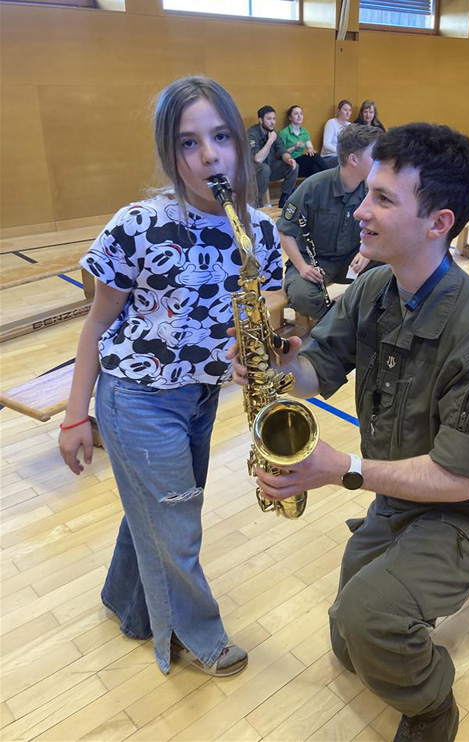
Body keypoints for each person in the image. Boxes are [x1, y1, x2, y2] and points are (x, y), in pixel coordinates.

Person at [229, 122, 469, 742]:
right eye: (367, 191)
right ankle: (449, 575)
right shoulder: (373, 286)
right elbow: (318, 367)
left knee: (371, 621)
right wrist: (276, 370)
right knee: (350, 647)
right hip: (399, 497)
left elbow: (456, 481)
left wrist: (340, 469)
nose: (360, 210)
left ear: (438, 222)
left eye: (384, 199)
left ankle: (433, 707)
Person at [58, 75, 283, 677]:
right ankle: (200, 636)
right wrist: (75, 416)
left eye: (220, 137)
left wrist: (266, 348)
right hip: (135, 398)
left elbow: (265, 308)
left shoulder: (259, 230)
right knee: (178, 524)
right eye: (189, 142)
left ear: (240, 142)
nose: (209, 155)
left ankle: (126, 603)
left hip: (202, 398)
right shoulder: (137, 224)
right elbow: (96, 323)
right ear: (170, 152)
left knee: (158, 511)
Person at [278, 124, 382, 320]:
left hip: (351, 258)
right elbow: (285, 231)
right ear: (353, 160)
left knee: (393, 265)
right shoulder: (314, 186)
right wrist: (302, 267)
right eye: (374, 155)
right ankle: (339, 321)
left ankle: (359, 312)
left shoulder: (371, 188)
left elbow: (378, 227)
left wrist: (365, 252)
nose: (380, 160)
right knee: (301, 296)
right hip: (314, 261)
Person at [247, 105, 298, 208]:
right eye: (269, 119)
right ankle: (256, 203)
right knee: (264, 168)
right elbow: (258, 159)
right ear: (260, 120)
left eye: (274, 119)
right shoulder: (252, 134)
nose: (272, 122)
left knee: (294, 165)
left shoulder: (274, 133)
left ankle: (285, 199)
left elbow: (282, 151)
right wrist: (270, 141)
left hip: (270, 168)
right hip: (253, 171)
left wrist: (289, 159)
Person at [279, 105, 329, 178]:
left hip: (302, 164)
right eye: (296, 114)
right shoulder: (284, 133)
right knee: (314, 156)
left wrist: (310, 149)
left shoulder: (304, 131)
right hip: (290, 164)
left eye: (301, 113)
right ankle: (331, 176)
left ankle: (327, 181)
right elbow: (280, 154)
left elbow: (310, 147)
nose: (299, 116)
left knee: (315, 168)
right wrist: (294, 147)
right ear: (290, 117)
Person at [321, 99, 353, 166]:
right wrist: (341, 152)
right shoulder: (331, 123)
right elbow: (326, 144)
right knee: (346, 163)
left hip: (343, 157)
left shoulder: (349, 125)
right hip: (329, 156)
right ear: (338, 111)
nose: (348, 112)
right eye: (345, 110)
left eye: (350, 110)